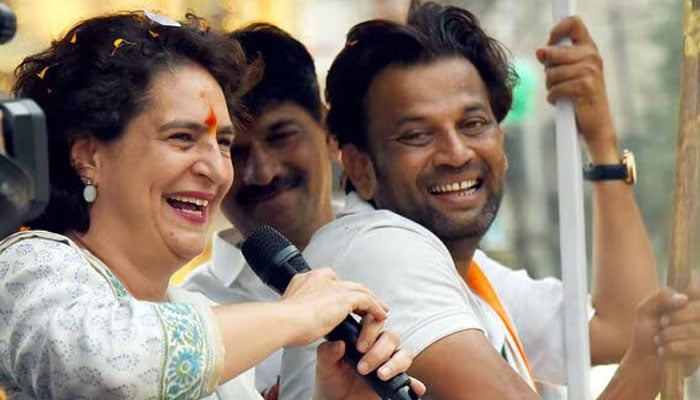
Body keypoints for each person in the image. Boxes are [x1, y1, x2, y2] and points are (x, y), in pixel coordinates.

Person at [0, 11, 424, 399]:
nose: (218, 171)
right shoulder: (28, 265)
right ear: (87, 155)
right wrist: (293, 316)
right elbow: (107, 365)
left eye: (222, 143)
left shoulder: (195, 312)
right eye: (182, 138)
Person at [279, 2, 691, 399]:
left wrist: (601, 144)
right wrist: (650, 364)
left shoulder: (465, 273)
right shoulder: (380, 251)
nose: (456, 153)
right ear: (360, 166)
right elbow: (635, 346)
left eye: (473, 124)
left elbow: (618, 329)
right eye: (417, 135)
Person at [180, 22, 338, 396]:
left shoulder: (398, 243)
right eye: (235, 149)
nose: (262, 172)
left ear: (329, 131)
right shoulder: (193, 317)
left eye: (282, 136)